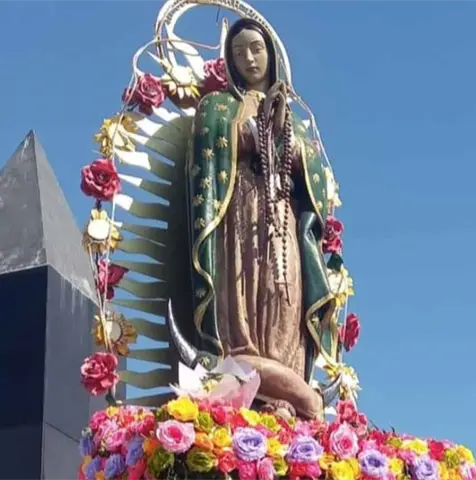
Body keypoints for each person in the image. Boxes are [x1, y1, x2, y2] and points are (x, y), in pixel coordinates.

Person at [178, 18, 339, 419]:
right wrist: (256, 131)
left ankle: (287, 385)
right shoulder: (218, 107)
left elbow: (317, 179)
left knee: (284, 295)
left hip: (283, 219)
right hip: (239, 216)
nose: (249, 59)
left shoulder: (296, 121)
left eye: (256, 49)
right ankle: (249, 374)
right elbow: (209, 151)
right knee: (244, 292)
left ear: (271, 54)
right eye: (239, 52)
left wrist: (288, 140)